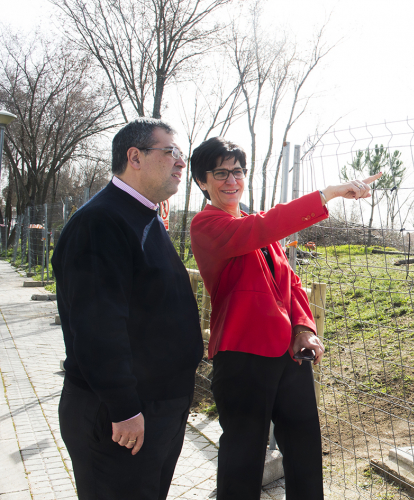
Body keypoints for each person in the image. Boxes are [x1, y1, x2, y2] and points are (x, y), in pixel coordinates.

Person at [188, 137, 381, 500]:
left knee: (305, 448)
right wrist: (328, 193)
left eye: (238, 172)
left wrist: (305, 328)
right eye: (220, 174)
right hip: (242, 355)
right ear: (202, 181)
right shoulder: (208, 225)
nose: (232, 181)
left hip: (288, 355)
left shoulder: (256, 226)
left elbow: (291, 282)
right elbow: (260, 229)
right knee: (243, 457)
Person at [52, 118, 203, 500]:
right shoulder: (101, 222)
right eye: (170, 152)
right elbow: (97, 326)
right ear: (134, 157)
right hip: (121, 417)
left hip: (156, 406)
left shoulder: (145, 215)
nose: (181, 162)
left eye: (180, 153)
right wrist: (123, 407)